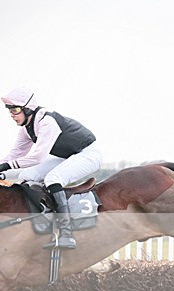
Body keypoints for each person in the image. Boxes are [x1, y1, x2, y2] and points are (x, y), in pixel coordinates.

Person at [0, 87, 102, 249]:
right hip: (67, 155)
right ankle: (42, 218)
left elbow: (37, 157)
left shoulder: (47, 122)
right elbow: (14, 155)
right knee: (27, 175)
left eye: (16, 110)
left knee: (52, 179)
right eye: (10, 111)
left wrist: (6, 166)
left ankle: (66, 233)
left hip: (88, 154)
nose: (12, 114)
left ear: (28, 109)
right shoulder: (27, 128)